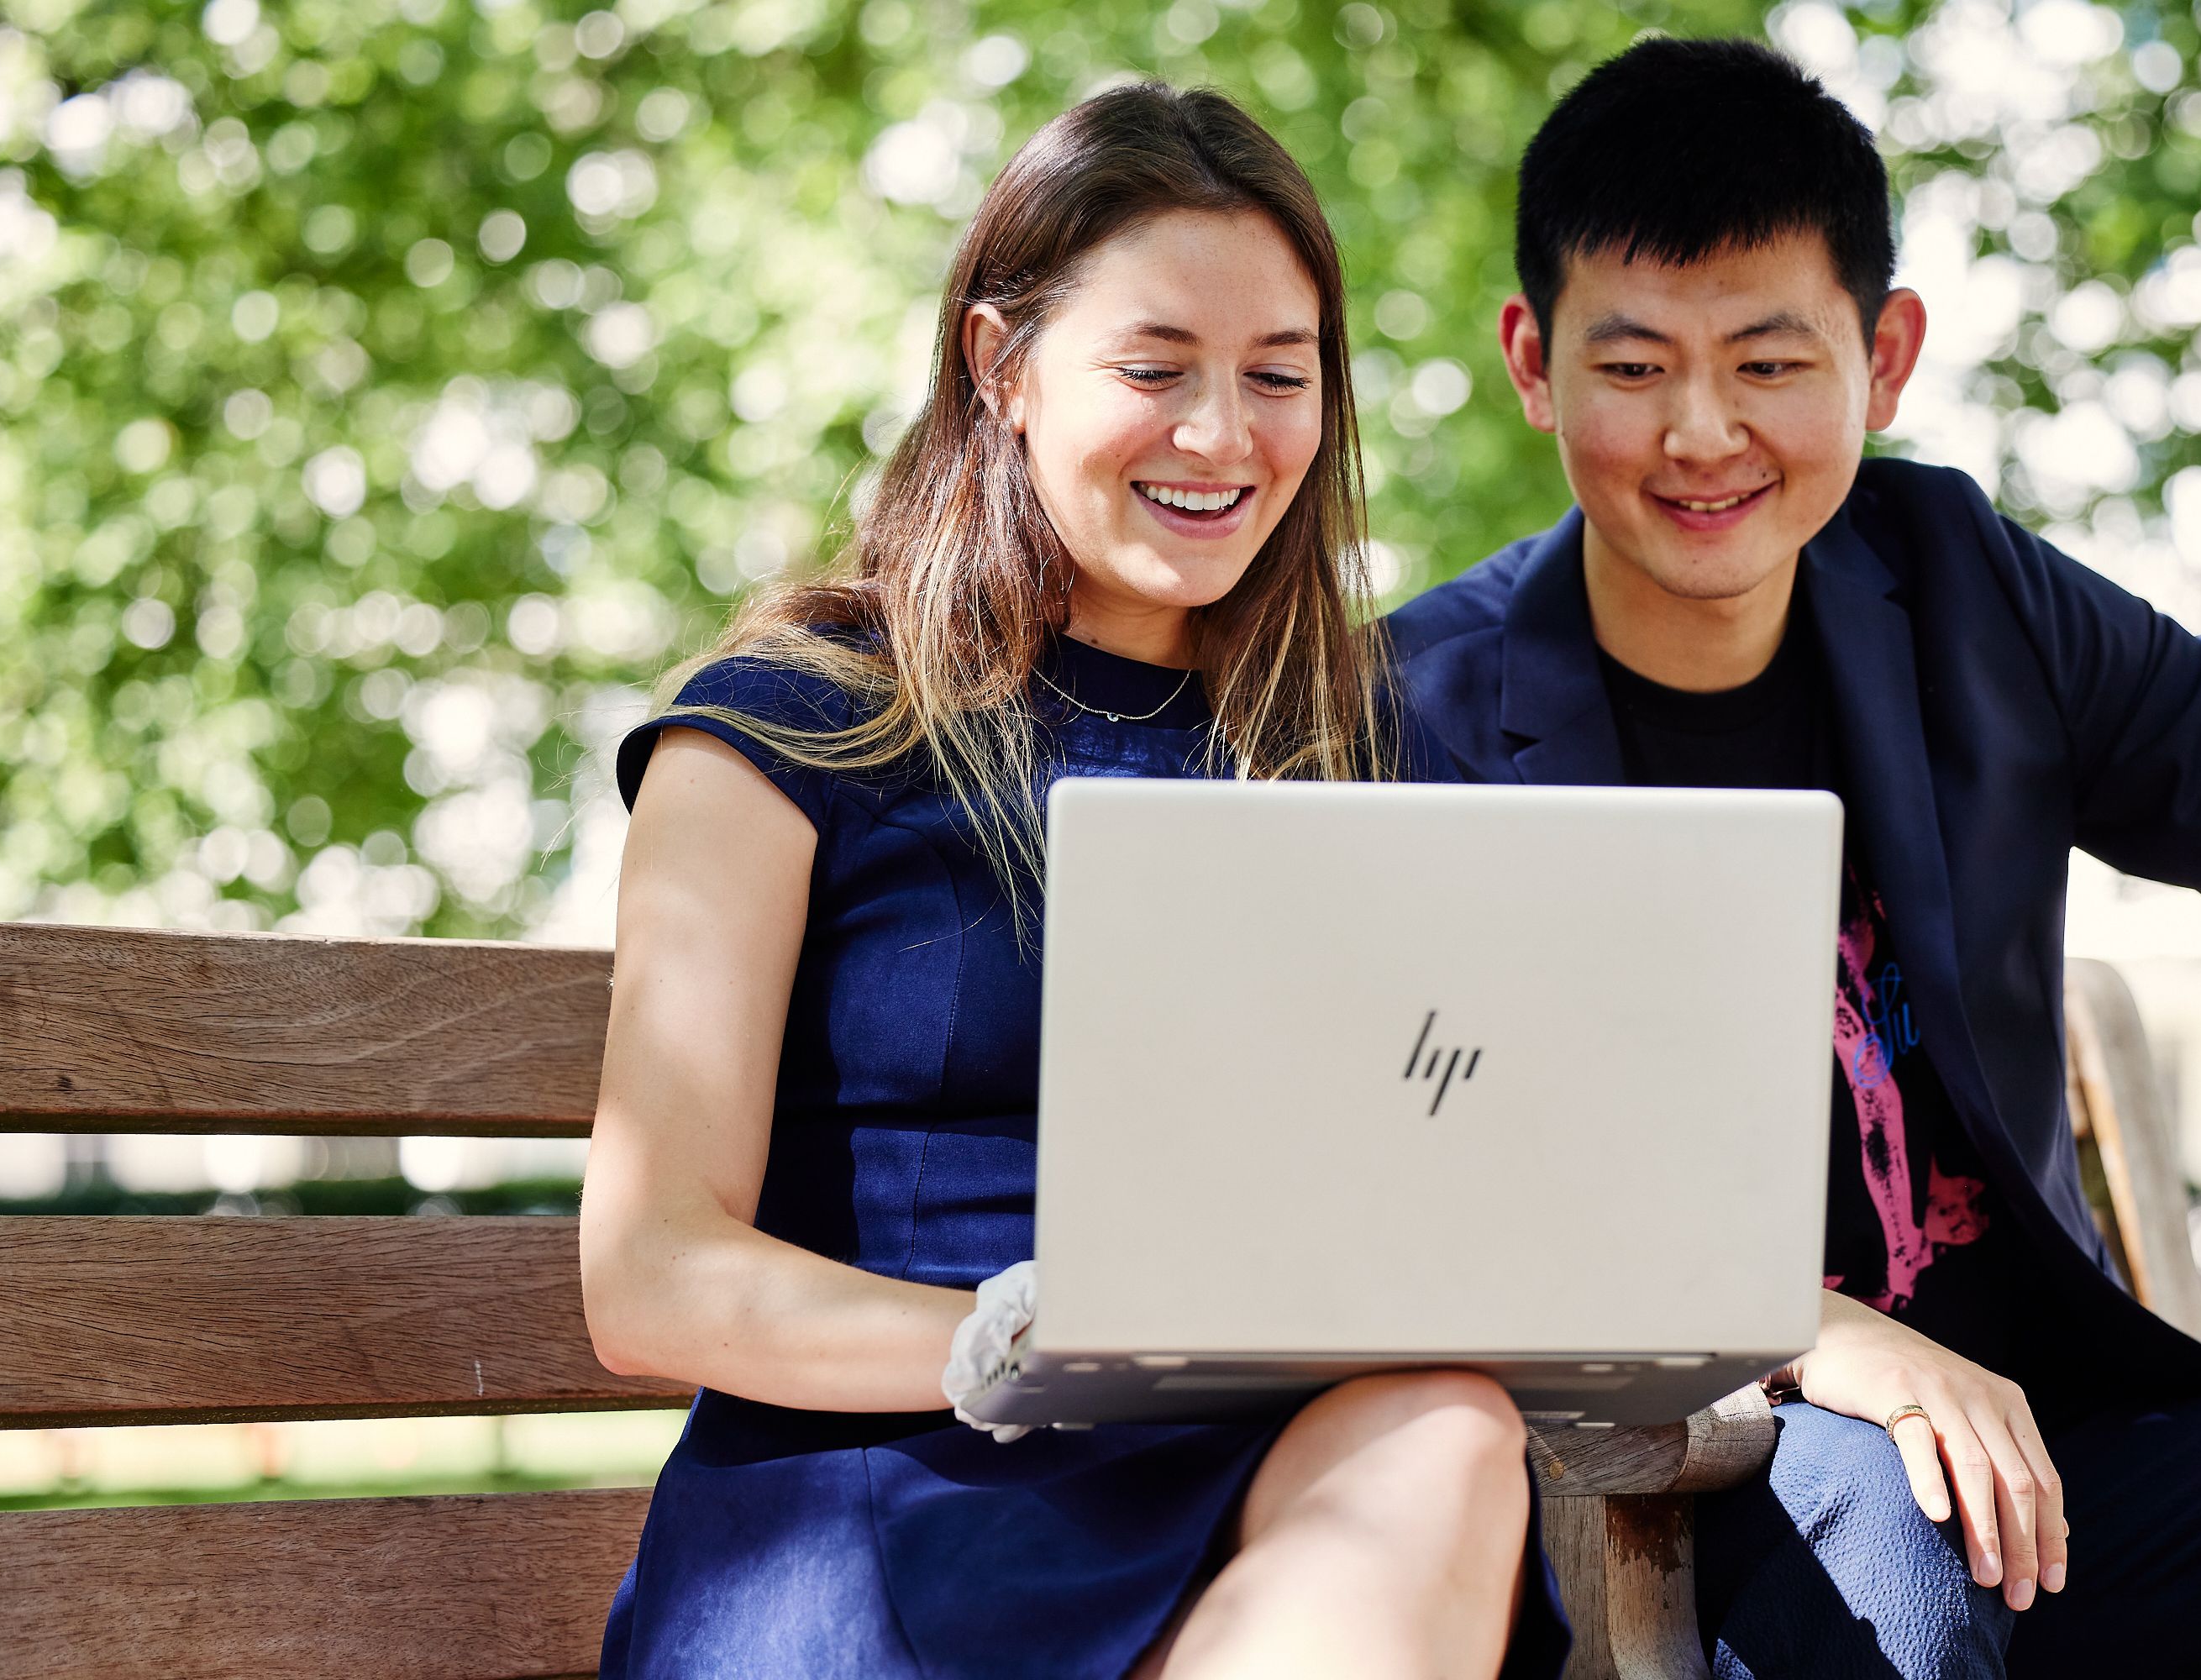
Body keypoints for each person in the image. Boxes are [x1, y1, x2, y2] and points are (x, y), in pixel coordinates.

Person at [1387, 36, 2201, 1680]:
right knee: (1889, 1526)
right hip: (1697, 1482)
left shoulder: (1968, 592)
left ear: (1884, 359)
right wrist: (1803, 1327)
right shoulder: (1418, 712)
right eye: (1632, 368)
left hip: (2066, 1461)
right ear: (1532, 361)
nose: (1699, 434)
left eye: (1767, 362)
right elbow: (1401, 1182)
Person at [580, 83, 1568, 1679]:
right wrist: (1026, 1340)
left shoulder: (1361, 746)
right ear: (1000, 367)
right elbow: (650, 1277)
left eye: (1277, 377)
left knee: (1443, 1431)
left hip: (1266, 1494)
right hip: (890, 1490)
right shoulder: (796, 728)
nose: (1222, 437)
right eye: (1155, 368)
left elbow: (1498, 1147)